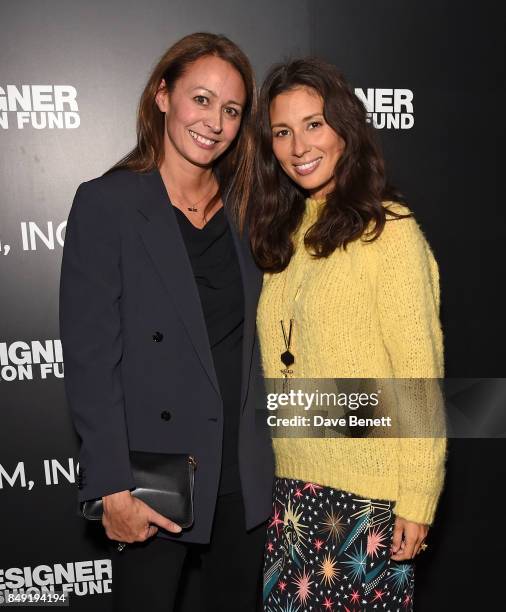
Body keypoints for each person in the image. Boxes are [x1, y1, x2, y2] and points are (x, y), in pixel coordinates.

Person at [59, 32, 274, 612]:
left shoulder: (249, 208)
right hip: (153, 478)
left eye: (231, 110)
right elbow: (89, 359)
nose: (215, 122)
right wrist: (109, 488)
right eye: (200, 99)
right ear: (162, 95)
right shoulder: (107, 204)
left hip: (244, 475)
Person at [249, 58, 446, 610]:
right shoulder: (283, 234)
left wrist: (418, 495)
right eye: (282, 132)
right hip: (293, 494)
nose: (298, 146)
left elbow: (418, 378)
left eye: (314, 124)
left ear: (344, 129)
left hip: (369, 502)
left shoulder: (390, 232)